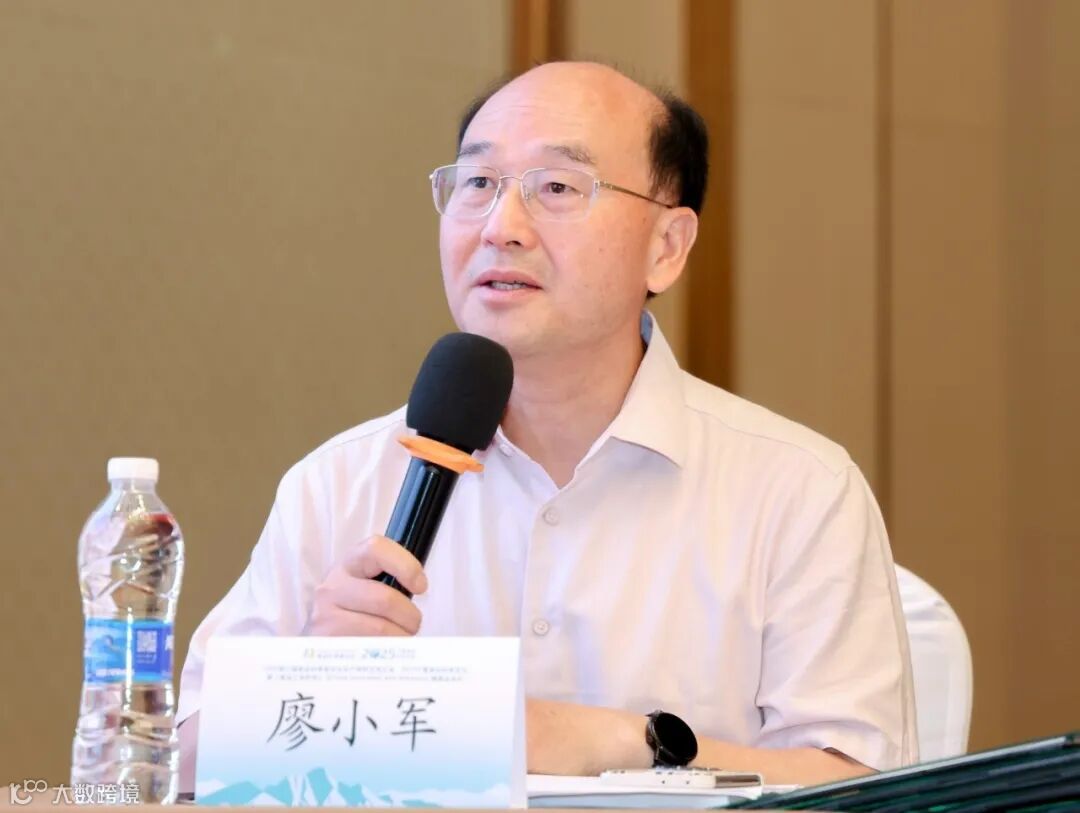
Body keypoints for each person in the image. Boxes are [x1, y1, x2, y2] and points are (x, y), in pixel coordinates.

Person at [177, 61, 917, 788]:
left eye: (558, 187)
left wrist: (617, 741)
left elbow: (863, 786)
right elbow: (167, 767)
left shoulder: (798, 490)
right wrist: (306, 677)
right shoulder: (339, 483)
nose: (501, 227)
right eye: (477, 184)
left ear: (667, 246)